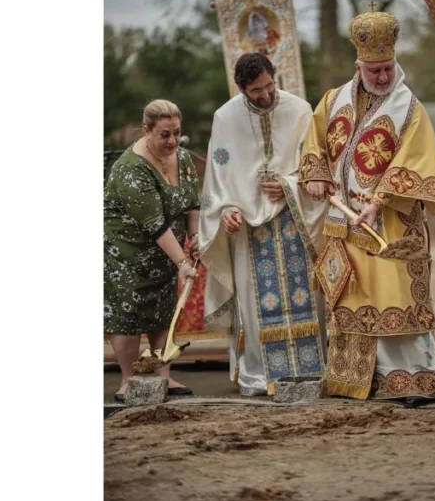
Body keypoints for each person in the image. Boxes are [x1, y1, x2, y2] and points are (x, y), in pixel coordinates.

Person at [300, 9, 435, 407]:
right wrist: (316, 174)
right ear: (359, 67)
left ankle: (408, 378)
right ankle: (354, 379)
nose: (383, 77)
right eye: (375, 70)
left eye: (387, 68)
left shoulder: (410, 109)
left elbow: (416, 162)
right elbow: (314, 143)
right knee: (352, 297)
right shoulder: (332, 101)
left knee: (391, 296)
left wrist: (380, 201)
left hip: (391, 226)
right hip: (343, 225)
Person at [198, 53, 328, 397]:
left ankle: (309, 370)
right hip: (249, 230)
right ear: (241, 89)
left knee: (304, 296)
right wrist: (226, 210)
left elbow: (316, 165)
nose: (266, 94)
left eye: (269, 85)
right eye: (256, 90)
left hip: (294, 220)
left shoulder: (300, 110)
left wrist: (289, 185)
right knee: (256, 305)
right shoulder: (225, 118)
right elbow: (218, 176)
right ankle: (261, 374)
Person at [104, 99, 201, 402]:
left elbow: (192, 203)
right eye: (164, 134)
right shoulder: (130, 169)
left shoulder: (183, 158)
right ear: (147, 131)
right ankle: (128, 380)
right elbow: (155, 224)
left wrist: (195, 236)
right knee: (128, 315)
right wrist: (182, 261)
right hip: (127, 253)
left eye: (177, 133)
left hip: (165, 252)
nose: (172, 141)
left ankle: (163, 377)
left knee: (163, 310)